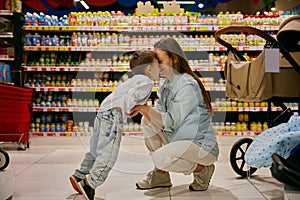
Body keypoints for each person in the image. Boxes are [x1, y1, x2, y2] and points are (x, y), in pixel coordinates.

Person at [130, 37, 219, 191]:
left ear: (174, 58)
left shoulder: (187, 85)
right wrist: (142, 107)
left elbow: (170, 121)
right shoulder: (166, 83)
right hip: (178, 138)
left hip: (199, 145)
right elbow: (160, 116)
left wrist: (145, 109)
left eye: (160, 60)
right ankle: (161, 175)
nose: (157, 65)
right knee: (147, 122)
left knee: (160, 158)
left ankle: (202, 169)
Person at [69, 50, 160, 200]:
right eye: (157, 66)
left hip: (103, 111)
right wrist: (138, 105)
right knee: (108, 153)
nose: (160, 70)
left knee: (95, 149)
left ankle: (80, 175)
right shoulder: (147, 82)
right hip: (113, 115)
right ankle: (90, 183)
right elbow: (133, 98)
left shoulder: (131, 79)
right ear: (149, 68)